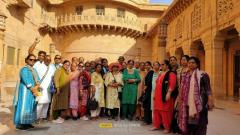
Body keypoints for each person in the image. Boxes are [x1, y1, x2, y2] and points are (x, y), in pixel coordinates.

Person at [178, 57, 214, 135]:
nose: (190, 64)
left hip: (200, 104)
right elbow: (181, 88)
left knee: (200, 124)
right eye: (189, 62)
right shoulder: (184, 75)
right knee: (188, 125)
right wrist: (179, 99)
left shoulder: (203, 75)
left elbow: (208, 89)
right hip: (186, 104)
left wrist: (210, 100)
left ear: (197, 64)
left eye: (193, 62)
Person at [13, 54, 39, 130]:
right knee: (24, 106)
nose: (32, 61)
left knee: (30, 106)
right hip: (25, 91)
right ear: (27, 60)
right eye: (31, 59)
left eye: (34, 60)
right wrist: (33, 89)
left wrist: (37, 85)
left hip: (32, 91)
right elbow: (26, 80)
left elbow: (38, 79)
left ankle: (27, 123)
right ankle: (20, 124)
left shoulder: (34, 70)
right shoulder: (24, 69)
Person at [151, 60, 177, 133]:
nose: (161, 66)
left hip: (165, 95)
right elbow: (157, 84)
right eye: (161, 65)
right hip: (158, 95)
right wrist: (154, 95)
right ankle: (156, 125)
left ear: (167, 65)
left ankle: (167, 127)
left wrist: (168, 93)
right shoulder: (161, 73)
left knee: (165, 111)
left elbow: (172, 85)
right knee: (157, 110)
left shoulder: (171, 74)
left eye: (163, 64)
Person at [36, 55, 55, 122]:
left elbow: (53, 77)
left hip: (48, 88)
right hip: (40, 88)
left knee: (47, 103)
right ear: (44, 59)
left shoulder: (52, 67)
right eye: (47, 59)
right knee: (40, 103)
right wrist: (37, 85)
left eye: (49, 60)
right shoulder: (39, 67)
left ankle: (43, 117)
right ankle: (37, 117)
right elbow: (36, 77)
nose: (48, 61)